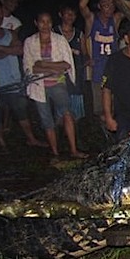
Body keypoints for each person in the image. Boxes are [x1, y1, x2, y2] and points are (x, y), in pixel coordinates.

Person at [0, 0, 46, 150]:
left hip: (13, 80)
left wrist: (0, 48)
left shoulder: (9, 33)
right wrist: (9, 50)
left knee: (21, 108)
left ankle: (30, 139)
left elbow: (20, 51)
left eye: (0, 13)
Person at [23, 11, 87, 160]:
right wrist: (53, 67)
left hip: (58, 83)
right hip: (38, 85)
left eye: (48, 22)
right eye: (42, 22)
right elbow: (30, 67)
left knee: (67, 113)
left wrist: (43, 64)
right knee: (46, 119)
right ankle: (55, 152)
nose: (45, 25)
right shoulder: (30, 42)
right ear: (36, 23)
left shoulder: (59, 40)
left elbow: (67, 64)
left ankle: (73, 149)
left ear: (52, 23)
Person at [79, 0, 130, 118]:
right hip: (97, 69)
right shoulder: (92, 19)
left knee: (115, 105)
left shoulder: (115, 20)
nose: (109, 7)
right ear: (99, 6)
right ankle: (105, 133)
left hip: (114, 68)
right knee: (101, 109)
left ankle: (115, 133)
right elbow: (82, 6)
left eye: (112, 4)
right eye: (105, 4)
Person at [53, 5, 87, 126]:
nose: (70, 17)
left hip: (76, 70)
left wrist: (86, 61)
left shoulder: (79, 34)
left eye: (72, 14)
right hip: (59, 72)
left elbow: (84, 52)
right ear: (60, 15)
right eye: (67, 14)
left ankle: (75, 126)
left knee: (76, 97)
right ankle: (60, 126)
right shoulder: (54, 32)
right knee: (60, 96)